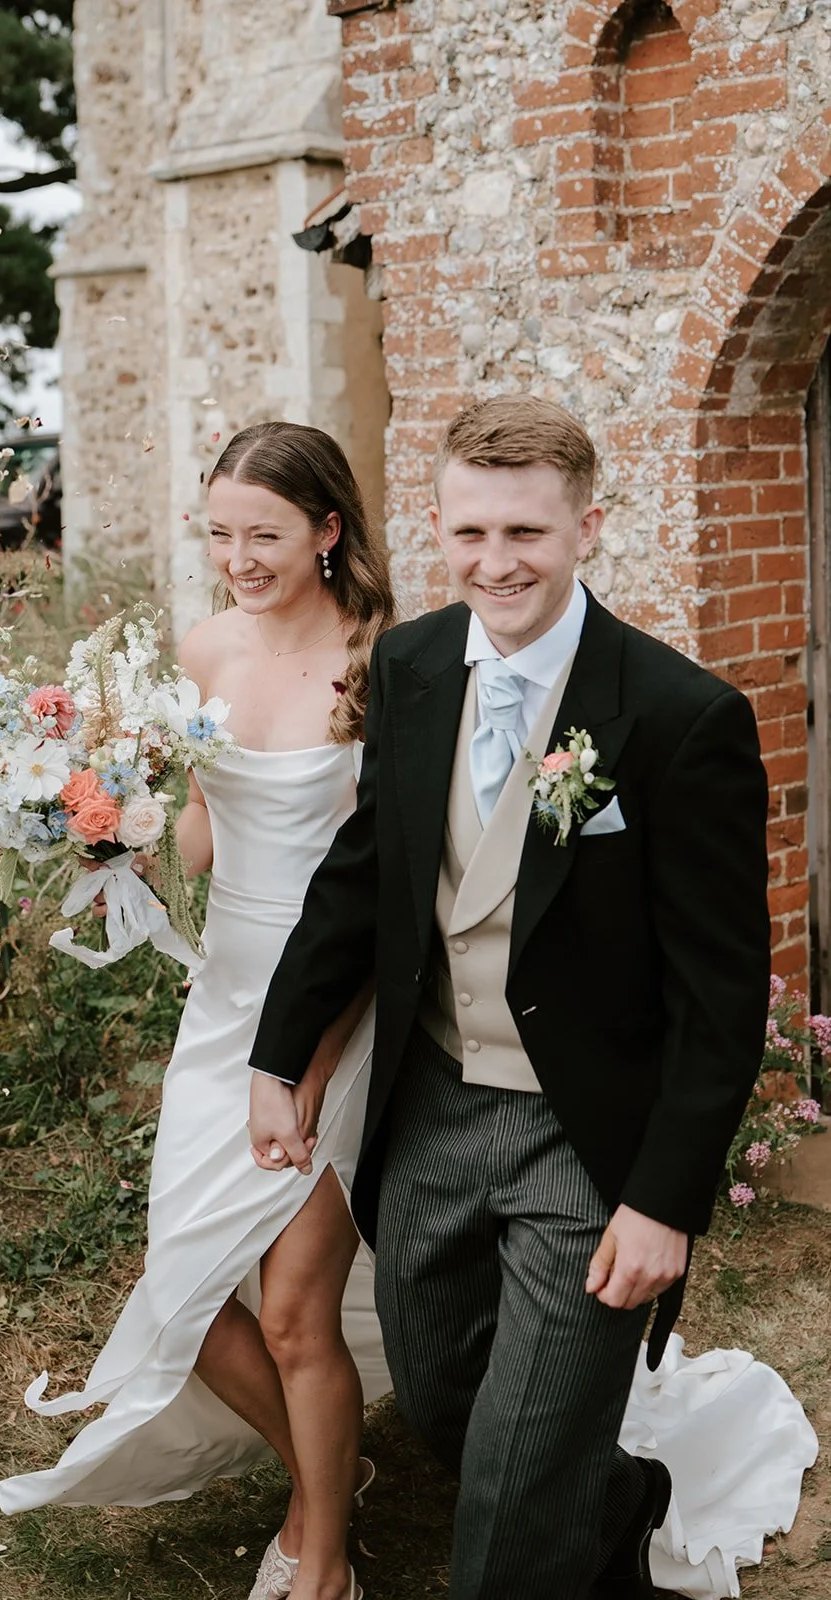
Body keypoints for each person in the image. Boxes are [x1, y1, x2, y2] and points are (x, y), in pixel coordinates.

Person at [248, 395, 773, 1600]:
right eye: (472, 532)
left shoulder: (681, 717)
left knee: (511, 1477)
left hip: (584, 1137)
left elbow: (718, 994)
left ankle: (550, 1511)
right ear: (435, 524)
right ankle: (613, 1498)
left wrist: (661, 1198)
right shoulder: (414, 662)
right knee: (444, 1402)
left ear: (585, 527)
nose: (497, 563)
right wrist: (277, 1055)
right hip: (431, 1107)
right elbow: (363, 874)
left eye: (526, 534)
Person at [0, 423, 395, 1600]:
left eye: (263, 535)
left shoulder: (384, 657)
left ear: (327, 529)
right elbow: (206, 828)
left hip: (333, 999)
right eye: (218, 534)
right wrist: (110, 831)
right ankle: (326, 1475)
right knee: (185, 1283)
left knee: (290, 1309)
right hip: (223, 997)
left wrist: (313, 1059)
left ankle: (321, 1560)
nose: (237, 558)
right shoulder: (203, 644)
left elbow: (377, 879)